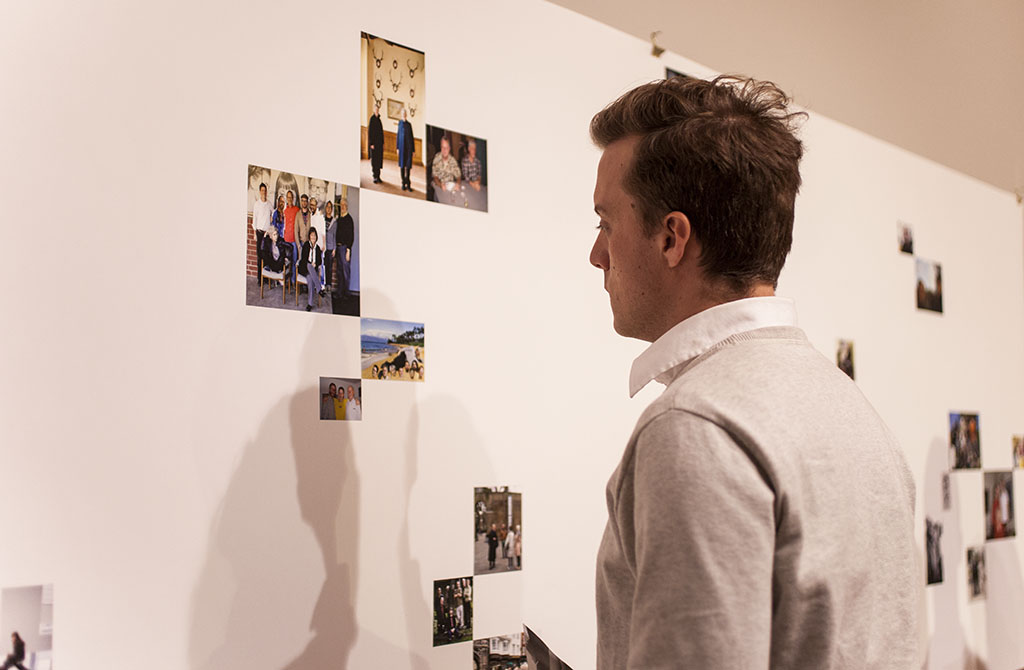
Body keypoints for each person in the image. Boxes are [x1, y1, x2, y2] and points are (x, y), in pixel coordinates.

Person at [588, 76, 917, 669]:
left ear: (671, 238)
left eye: (605, 223)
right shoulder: (853, 410)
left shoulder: (696, 426)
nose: (596, 254)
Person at [252, 182, 273, 284]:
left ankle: (266, 277)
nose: (264, 192)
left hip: (267, 234)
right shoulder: (256, 204)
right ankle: (260, 279)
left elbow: (272, 216)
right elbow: (254, 219)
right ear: (260, 192)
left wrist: (269, 230)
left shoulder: (269, 204)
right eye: (262, 190)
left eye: (265, 191)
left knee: (267, 256)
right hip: (259, 233)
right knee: (259, 255)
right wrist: (255, 233)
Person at [299, 227, 322, 312]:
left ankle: (310, 304)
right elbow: (304, 259)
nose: (313, 237)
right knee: (309, 266)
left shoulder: (318, 248)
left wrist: (315, 264)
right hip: (305, 268)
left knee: (310, 280)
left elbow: (320, 261)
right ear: (309, 236)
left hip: (313, 271)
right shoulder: (306, 245)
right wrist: (310, 263)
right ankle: (319, 289)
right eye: (311, 235)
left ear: (316, 237)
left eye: (314, 236)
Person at [431, 135, 460, 201]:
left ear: (449, 148)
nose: (444, 150)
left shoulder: (453, 160)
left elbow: (458, 176)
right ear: (440, 147)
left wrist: (458, 183)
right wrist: (440, 185)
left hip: (450, 187)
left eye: (446, 148)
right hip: (438, 186)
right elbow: (435, 177)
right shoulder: (436, 158)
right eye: (442, 147)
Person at [336, 198, 355, 297]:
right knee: (339, 271)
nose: (342, 206)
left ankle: (346, 293)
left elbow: (351, 236)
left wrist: (348, 250)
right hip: (339, 248)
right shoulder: (339, 219)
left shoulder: (349, 219)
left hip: (345, 248)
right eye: (341, 205)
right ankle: (339, 292)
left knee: (345, 271)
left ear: (346, 206)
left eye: (344, 205)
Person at [283, 190, 300, 283]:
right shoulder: (284, 211)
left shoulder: (297, 210)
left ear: (293, 198)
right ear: (286, 198)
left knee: (294, 261)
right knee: (286, 261)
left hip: (294, 240)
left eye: (291, 197)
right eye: (288, 197)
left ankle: (293, 281)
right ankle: (285, 281)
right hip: (286, 239)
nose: (289, 199)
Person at [397, 107, 415, 191]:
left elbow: (412, 137)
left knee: (408, 167)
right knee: (402, 166)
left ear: (406, 115)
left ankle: (408, 184)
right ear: (401, 115)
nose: (404, 115)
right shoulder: (399, 123)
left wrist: (413, 150)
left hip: (408, 149)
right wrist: (397, 148)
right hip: (401, 148)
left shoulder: (409, 124)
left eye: (405, 113)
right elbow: (398, 136)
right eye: (402, 113)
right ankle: (403, 183)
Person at [323, 200, 337, 294]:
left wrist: (334, 248)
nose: (328, 209)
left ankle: (328, 284)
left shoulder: (334, 222)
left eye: (330, 207)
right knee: (322, 266)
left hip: (330, 247)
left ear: (332, 209)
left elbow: (335, 235)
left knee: (329, 267)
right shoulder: (322, 219)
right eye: (327, 207)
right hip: (323, 247)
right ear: (325, 209)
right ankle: (322, 283)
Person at [368, 103, 384, 183]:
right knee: (374, 161)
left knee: (379, 160)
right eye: (376, 109)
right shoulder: (372, 119)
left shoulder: (379, 120)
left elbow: (381, 132)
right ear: (374, 110)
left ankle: (378, 176)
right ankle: (374, 176)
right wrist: (371, 144)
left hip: (379, 144)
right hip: (374, 144)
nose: (377, 110)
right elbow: (370, 132)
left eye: (378, 109)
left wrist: (383, 143)